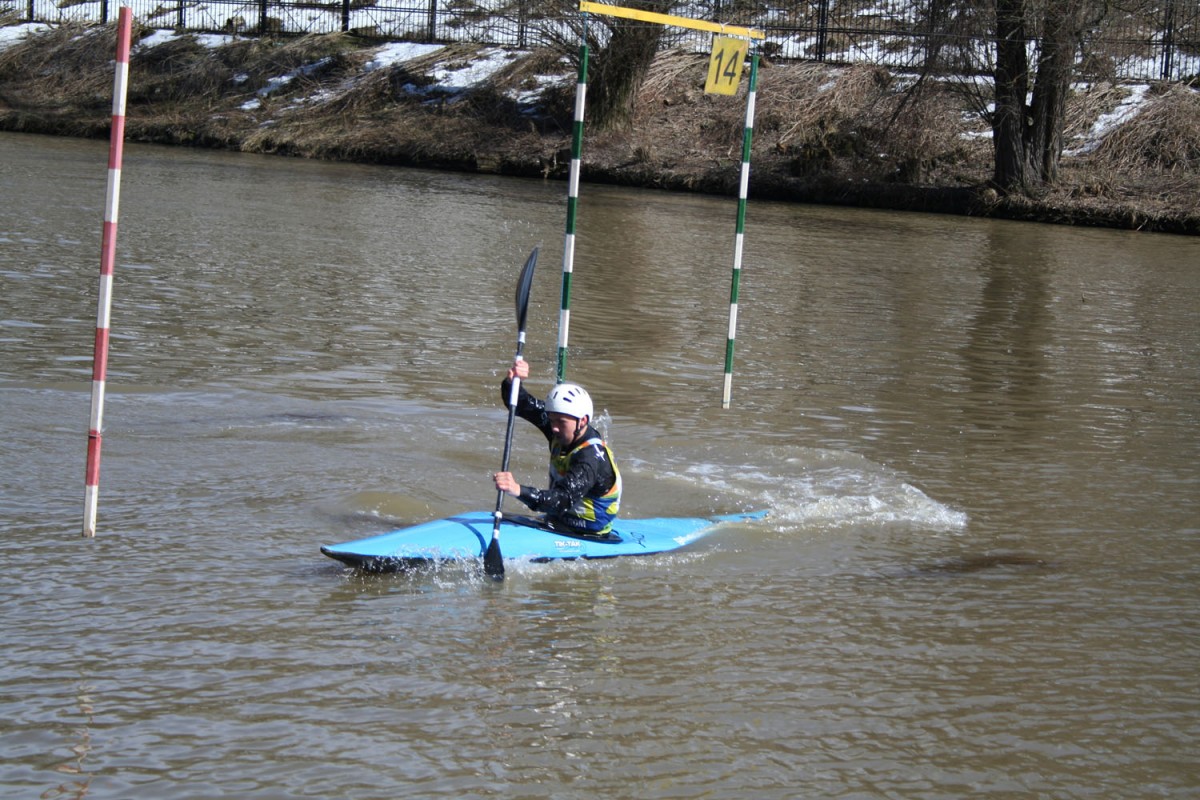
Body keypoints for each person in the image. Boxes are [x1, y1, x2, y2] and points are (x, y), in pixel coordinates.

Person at [492, 358, 622, 536]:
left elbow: (561, 499)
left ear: (582, 421)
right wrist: (513, 381)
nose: (554, 427)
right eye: (551, 420)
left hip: (588, 532)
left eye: (561, 422)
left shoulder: (589, 459)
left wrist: (517, 490)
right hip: (557, 520)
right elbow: (520, 404)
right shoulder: (560, 428)